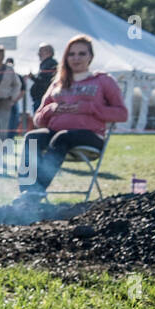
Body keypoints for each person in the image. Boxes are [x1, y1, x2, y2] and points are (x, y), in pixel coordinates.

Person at [20, 35, 128, 196]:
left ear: (91, 57)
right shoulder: (58, 83)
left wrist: (89, 107)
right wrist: (53, 109)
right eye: (71, 54)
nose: (76, 58)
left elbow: (122, 114)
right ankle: (25, 193)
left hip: (90, 136)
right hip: (55, 134)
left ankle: (34, 193)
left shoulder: (102, 80)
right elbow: (38, 118)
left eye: (82, 54)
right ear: (65, 57)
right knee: (32, 137)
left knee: (63, 137)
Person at [29, 44, 57, 114]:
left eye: (41, 51)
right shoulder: (45, 64)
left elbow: (46, 82)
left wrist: (33, 78)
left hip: (44, 100)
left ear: (49, 52)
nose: (39, 54)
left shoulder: (51, 64)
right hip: (41, 99)